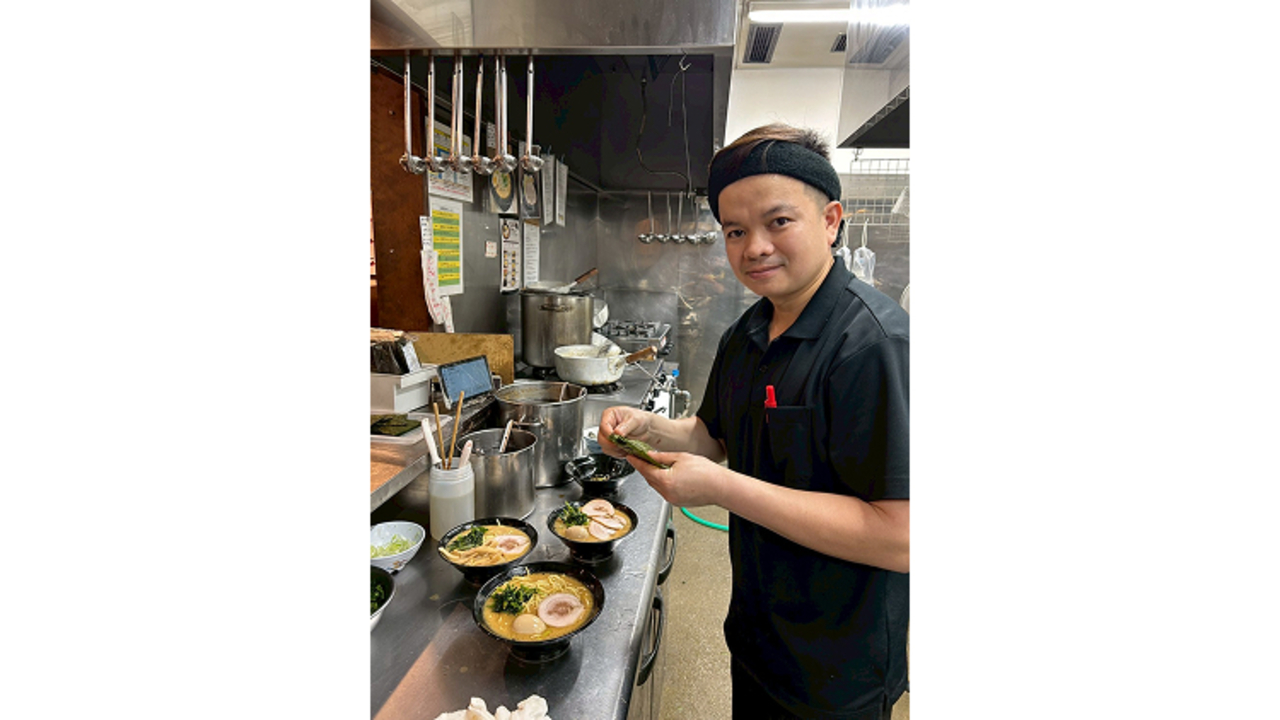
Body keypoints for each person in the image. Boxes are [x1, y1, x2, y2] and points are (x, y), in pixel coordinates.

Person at [599, 123, 909, 720]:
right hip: (760, 632)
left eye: (779, 222)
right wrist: (647, 428)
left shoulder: (871, 343)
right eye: (736, 231)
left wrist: (720, 489)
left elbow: (900, 537)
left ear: (831, 220)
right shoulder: (749, 333)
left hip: (836, 664)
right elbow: (714, 437)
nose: (755, 247)